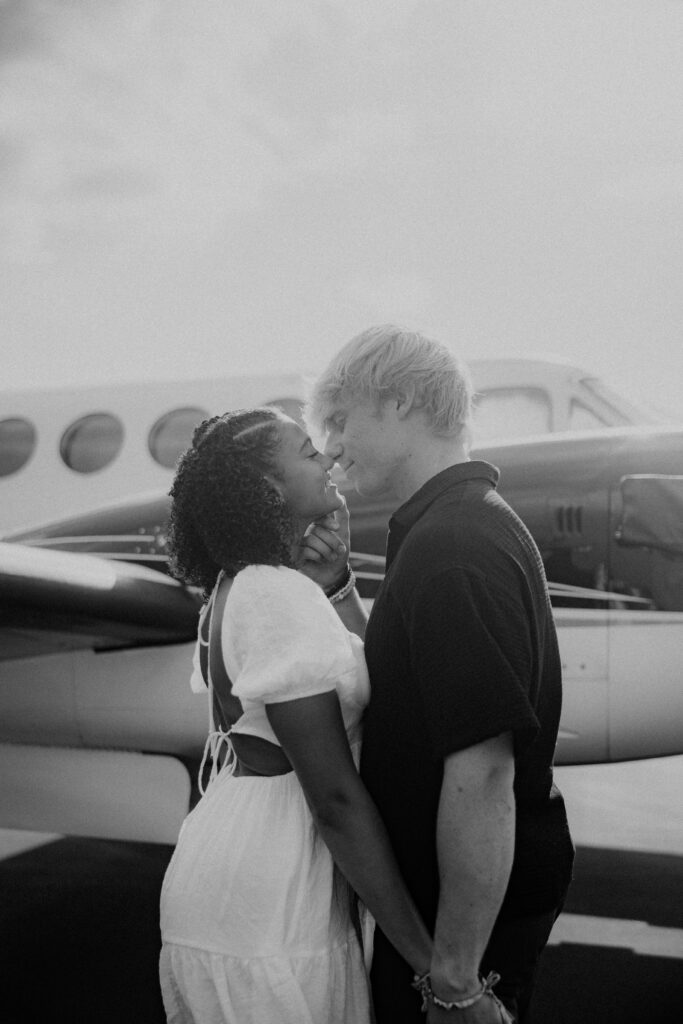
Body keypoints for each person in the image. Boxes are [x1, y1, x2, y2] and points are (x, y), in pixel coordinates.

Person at [305, 325, 575, 1024]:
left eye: (338, 421)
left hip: (461, 939)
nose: (329, 447)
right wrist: (339, 588)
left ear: (397, 402)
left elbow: (482, 773)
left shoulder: (453, 548)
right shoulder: (456, 528)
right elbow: (407, 691)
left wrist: (453, 979)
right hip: (455, 919)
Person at [158, 407, 432, 1024]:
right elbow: (334, 797)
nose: (328, 459)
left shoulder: (251, 586)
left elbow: (373, 688)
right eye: (310, 453)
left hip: (244, 876)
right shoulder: (276, 597)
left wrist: (336, 587)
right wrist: (427, 958)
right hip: (268, 903)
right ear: (268, 489)